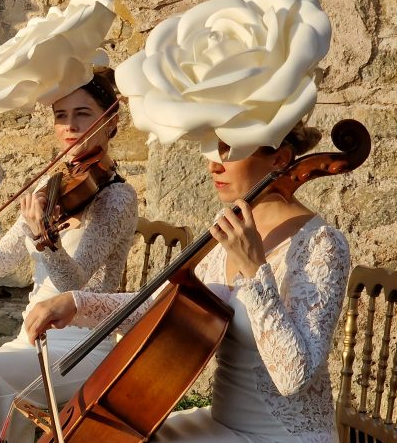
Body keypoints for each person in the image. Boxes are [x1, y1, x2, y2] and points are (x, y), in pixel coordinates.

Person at [25, 122, 350, 442]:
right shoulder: (228, 226)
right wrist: (76, 303)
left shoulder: (322, 245)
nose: (213, 165)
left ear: (279, 159)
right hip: (219, 425)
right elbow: (164, 305)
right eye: (211, 150)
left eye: (227, 151)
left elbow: (294, 376)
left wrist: (254, 271)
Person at [0, 73, 140, 443]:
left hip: (82, 347)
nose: (70, 126)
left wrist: (43, 238)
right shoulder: (50, 188)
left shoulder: (117, 198)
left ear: (111, 120)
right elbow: (1, 259)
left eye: (83, 113)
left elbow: (74, 283)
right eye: (61, 115)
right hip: (31, 339)